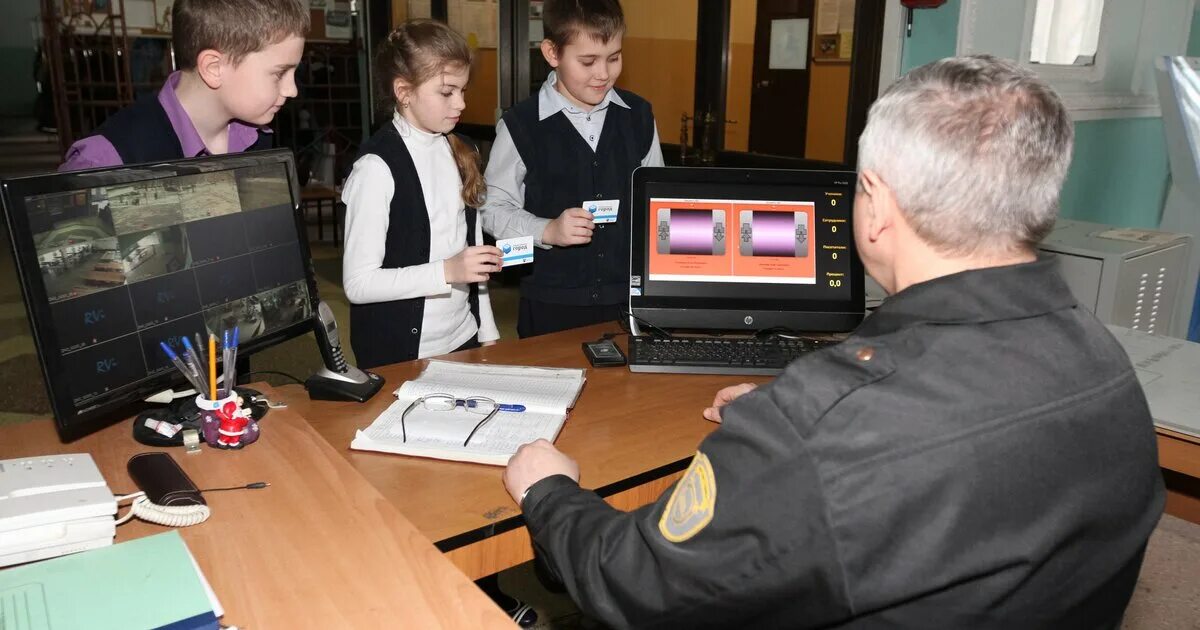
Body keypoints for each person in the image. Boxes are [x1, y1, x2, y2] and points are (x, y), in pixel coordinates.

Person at [502, 55, 1166, 628]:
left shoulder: (824, 425)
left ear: (873, 204)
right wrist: (788, 430)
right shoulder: (1109, 367)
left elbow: (637, 581)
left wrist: (550, 493)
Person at [481, 0, 664, 338]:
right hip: (551, 304)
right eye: (587, 61)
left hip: (627, 302)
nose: (603, 74)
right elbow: (492, 210)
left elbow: (657, 207)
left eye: (614, 58)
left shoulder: (639, 116)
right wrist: (547, 230)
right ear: (552, 53)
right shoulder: (521, 125)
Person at [341, 20, 500, 370]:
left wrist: (487, 332)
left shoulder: (459, 150)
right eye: (447, 92)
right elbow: (358, 284)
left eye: (463, 90)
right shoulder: (376, 167)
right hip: (400, 353)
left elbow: (473, 262)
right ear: (404, 91)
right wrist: (446, 271)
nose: (460, 103)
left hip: (462, 338)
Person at [59, 0, 308, 170]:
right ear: (213, 68)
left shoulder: (256, 139)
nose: (292, 90)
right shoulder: (105, 161)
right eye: (279, 74)